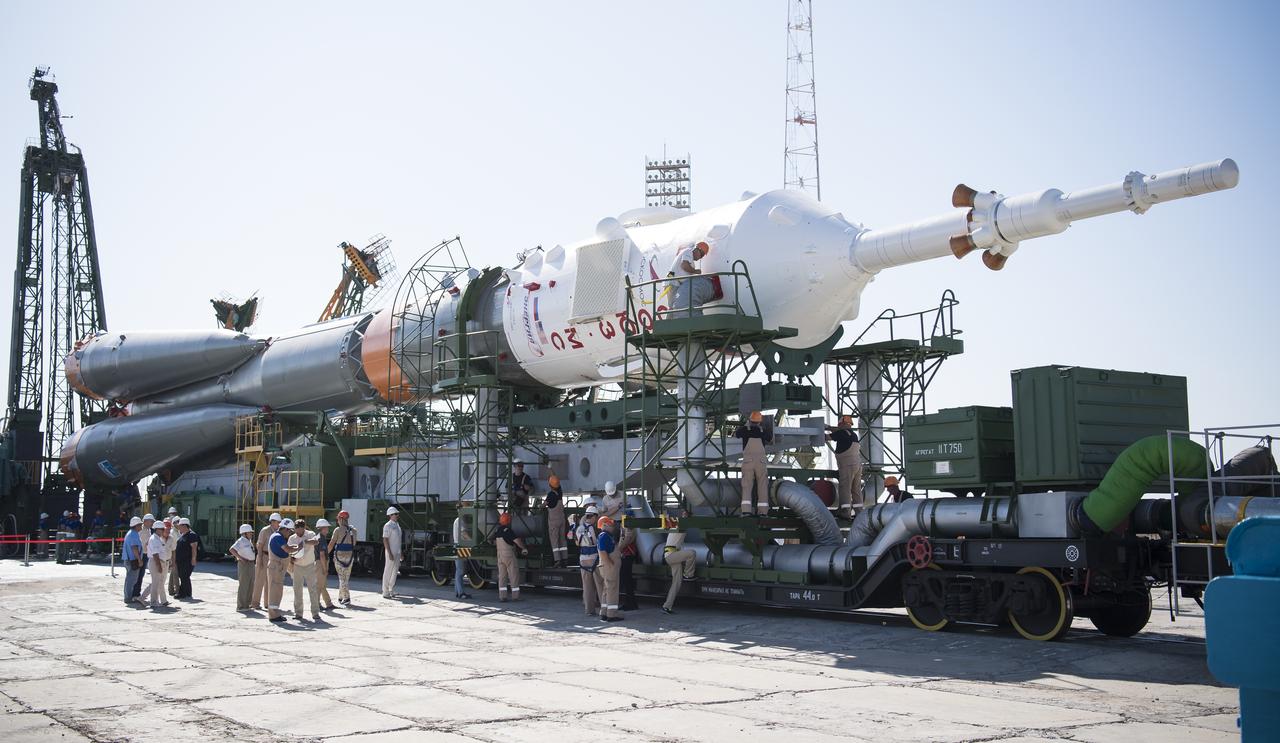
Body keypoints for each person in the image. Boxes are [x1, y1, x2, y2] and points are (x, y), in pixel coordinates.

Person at [735, 411, 774, 517]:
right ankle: (763, 512)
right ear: (759, 422)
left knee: (747, 485)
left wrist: (746, 425)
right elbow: (770, 438)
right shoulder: (762, 431)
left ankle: (746, 511)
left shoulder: (744, 430)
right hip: (761, 462)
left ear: (750, 420)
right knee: (762, 485)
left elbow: (737, 434)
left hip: (748, 462)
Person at [825, 415, 862, 519]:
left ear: (842, 424)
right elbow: (839, 430)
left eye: (840, 425)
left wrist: (817, 431)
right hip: (858, 465)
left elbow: (827, 437)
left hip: (847, 465)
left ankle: (845, 512)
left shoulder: (841, 433)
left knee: (845, 488)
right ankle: (859, 513)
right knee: (856, 490)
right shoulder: (852, 434)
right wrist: (828, 427)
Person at [662, 509, 696, 615]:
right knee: (692, 553)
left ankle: (667, 606)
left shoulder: (680, 526)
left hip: (672, 555)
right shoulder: (678, 524)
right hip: (671, 555)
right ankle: (688, 574)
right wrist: (665, 515)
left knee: (677, 583)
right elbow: (668, 521)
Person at [287, 519, 321, 621]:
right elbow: (289, 551)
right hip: (297, 566)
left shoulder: (310, 534)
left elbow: (316, 542)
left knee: (313, 590)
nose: (298, 532)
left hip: (309, 565)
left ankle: (315, 613)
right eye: (296, 530)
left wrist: (305, 541)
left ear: (304, 528)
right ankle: (298, 613)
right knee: (297, 590)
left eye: (300, 530)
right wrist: (292, 557)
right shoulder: (292, 538)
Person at [668, 240, 715, 314]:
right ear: (697, 249)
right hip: (673, 283)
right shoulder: (689, 251)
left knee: (675, 307)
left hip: (673, 281)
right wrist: (696, 271)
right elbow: (684, 265)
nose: (700, 258)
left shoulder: (688, 256)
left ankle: (672, 322)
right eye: (702, 254)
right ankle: (669, 324)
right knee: (673, 308)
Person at [492, 512, 529, 602]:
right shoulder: (508, 531)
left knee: (502, 576)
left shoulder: (497, 531)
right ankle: (515, 596)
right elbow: (517, 541)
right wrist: (523, 547)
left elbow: (493, 542)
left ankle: (502, 597)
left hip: (500, 556)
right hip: (509, 555)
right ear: (509, 521)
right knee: (514, 575)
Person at [251, 513, 282, 611]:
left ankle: (268, 603)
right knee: (259, 581)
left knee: (270, 582)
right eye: (278, 522)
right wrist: (259, 559)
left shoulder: (278, 532)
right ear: (272, 522)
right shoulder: (265, 531)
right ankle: (255, 603)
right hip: (264, 556)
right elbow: (259, 545)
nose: (279, 524)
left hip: (273, 557)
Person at [574, 505, 600, 616]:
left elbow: (577, 543)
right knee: (599, 585)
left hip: (583, 559)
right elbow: (594, 541)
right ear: (593, 516)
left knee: (587, 586)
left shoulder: (579, 528)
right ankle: (603, 609)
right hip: (593, 558)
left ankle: (589, 609)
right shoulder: (591, 528)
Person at [595, 516, 623, 622]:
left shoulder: (606, 536)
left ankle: (604, 612)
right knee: (612, 589)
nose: (612, 526)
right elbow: (602, 552)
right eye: (610, 523)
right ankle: (612, 614)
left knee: (607, 589)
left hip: (608, 566)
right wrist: (610, 564)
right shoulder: (604, 536)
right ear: (604, 525)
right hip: (609, 567)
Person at [266, 518, 294, 622]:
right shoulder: (278, 537)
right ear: (286, 529)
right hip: (276, 567)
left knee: (277, 590)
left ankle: (275, 613)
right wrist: (298, 548)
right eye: (290, 531)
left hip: (278, 568)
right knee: (274, 591)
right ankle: (273, 615)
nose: (290, 534)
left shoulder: (277, 536)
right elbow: (287, 549)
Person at [328, 511, 357, 605]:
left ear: (340, 519)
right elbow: (354, 544)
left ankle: (347, 597)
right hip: (350, 556)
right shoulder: (354, 530)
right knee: (345, 577)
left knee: (342, 577)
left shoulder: (337, 530)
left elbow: (332, 543)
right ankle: (341, 596)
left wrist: (325, 554)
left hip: (339, 555)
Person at [228, 524, 257, 611]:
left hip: (251, 564)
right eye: (249, 532)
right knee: (244, 585)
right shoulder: (240, 541)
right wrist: (240, 558)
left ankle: (247, 604)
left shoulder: (249, 540)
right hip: (244, 564)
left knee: (251, 584)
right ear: (244, 533)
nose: (251, 534)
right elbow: (232, 549)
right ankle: (241, 606)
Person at [174, 518, 202, 599]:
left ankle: (183, 593)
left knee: (184, 576)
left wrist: (193, 559)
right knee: (183, 576)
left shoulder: (192, 535)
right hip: (181, 561)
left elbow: (194, 548)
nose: (179, 527)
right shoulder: (183, 535)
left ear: (185, 526)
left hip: (187, 560)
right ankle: (187, 593)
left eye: (180, 526)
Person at [146, 521, 172, 609]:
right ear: (157, 529)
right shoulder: (154, 539)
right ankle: (153, 602)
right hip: (156, 562)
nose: (163, 531)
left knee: (158, 583)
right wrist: (159, 566)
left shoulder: (158, 538)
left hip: (159, 561)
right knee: (155, 583)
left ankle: (156, 601)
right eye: (162, 529)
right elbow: (155, 554)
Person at [544, 475, 568, 567]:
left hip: (554, 522)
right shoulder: (560, 492)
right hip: (562, 520)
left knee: (554, 540)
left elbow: (544, 504)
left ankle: (557, 560)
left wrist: (540, 506)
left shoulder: (550, 495)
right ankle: (565, 558)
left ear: (550, 485)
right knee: (562, 539)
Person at [121, 516, 145, 605]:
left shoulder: (130, 533)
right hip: (133, 561)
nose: (141, 526)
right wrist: (139, 560)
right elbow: (134, 548)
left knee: (129, 579)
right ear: (136, 525)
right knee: (131, 580)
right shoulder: (133, 534)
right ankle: (128, 598)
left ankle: (128, 596)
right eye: (140, 525)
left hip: (129, 560)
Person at [381, 507, 404, 599]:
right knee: (388, 571)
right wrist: (389, 553)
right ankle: (385, 591)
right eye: (395, 514)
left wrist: (401, 552)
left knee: (395, 572)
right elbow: (385, 540)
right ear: (390, 515)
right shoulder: (387, 526)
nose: (397, 515)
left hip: (397, 552)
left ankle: (391, 589)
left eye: (397, 514)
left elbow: (399, 540)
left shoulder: (397, 525)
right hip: (391, 552)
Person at [313, 518, 336, 611]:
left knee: (322, 585)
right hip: (320, 563)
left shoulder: (318, 537)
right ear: (322, 528)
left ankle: (328, 603)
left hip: (318, 563)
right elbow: (322, 555)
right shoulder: (321, 539)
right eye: (326, 527)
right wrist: (325, 568)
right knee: (319, 585)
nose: (328, 529)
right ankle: (317, 604)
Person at [619, 519, 639, 611]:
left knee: (627, 580)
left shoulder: (629, 527)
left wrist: (617, 549)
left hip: (627, 555)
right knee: (626, 580)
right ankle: (631, 603)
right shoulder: (628, 526)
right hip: (626, 555)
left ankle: (630, 603)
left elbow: (627, 540)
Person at [136, 514, 156, 600]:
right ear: (145, 521)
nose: (152, 523)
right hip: (141, 555)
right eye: (151, 521)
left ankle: (137, 593)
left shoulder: (148, 530)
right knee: (138, 575)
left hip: (145, 554)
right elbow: (140, 545)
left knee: (141, 574)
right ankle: (135, 594)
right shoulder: (141, 531)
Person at [452, 514, 471, 600]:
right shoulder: (460, 520)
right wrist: (472, 541)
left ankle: (457, 592)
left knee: (458, 570)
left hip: (458, 546)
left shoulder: (457, 520)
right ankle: (460, 593)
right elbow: (463, 533)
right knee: (460, 571)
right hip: (460, 547)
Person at [164, 516, 181, 597]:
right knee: (175, 573)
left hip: (176, 554)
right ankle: (177, 590)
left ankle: (170, 590)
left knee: (173, 573)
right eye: (178, 522)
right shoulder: (172, 533)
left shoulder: (178, 531)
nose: (179, 523)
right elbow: (172, 546)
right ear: (174, 523)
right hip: (172, 554)